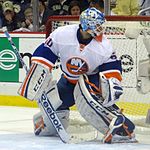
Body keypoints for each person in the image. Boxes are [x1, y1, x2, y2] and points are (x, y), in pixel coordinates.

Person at [18, 7, 137, 144]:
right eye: (97, 25)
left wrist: (111, 84)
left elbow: (112, 69)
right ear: (87, 25)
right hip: (68, 81)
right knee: (54, 106)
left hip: (91, 80)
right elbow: (45, 53)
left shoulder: (104, 46)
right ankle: (46, 124)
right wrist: (38, 71)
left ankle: (123, 130)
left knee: (89, 103)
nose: (101, 28)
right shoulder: (63, 34)